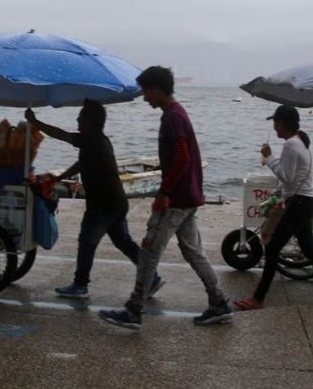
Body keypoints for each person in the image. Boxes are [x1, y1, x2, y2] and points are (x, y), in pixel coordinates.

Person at [99, 66, 232, 329]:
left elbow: (182, 157)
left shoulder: (171, 117)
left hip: (176, 200)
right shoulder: (178, 113)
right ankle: (219, 302)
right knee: (194, 252)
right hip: (189, 197)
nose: (145, 97)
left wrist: (164, 193)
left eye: (146, 92)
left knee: (148, 252)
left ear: (157, 89)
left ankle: (134, 309)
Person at [25, 100, 163, 299]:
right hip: (116, 201)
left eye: (80, 116)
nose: (77, 119)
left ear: (89, 121)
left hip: (103, 204)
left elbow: (62, 135)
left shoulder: (90, 139)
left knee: (87, 241)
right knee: (123, 241)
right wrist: (59, 177)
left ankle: (80, 285)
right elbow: (81, 164)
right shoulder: (99, 140)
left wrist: (35, 122)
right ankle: (153, 278)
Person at [234, 105, 313, 310]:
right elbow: (292, 179)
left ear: (281, 123)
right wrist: (278, 196)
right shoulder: (300, 141)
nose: (274, 127)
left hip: (300, 203)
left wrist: (269, 158)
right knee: (310, 250)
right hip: (306, 202)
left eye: (275, 122)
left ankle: (258, 298)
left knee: (273, 247)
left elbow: (287, 177)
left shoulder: (291, 145)